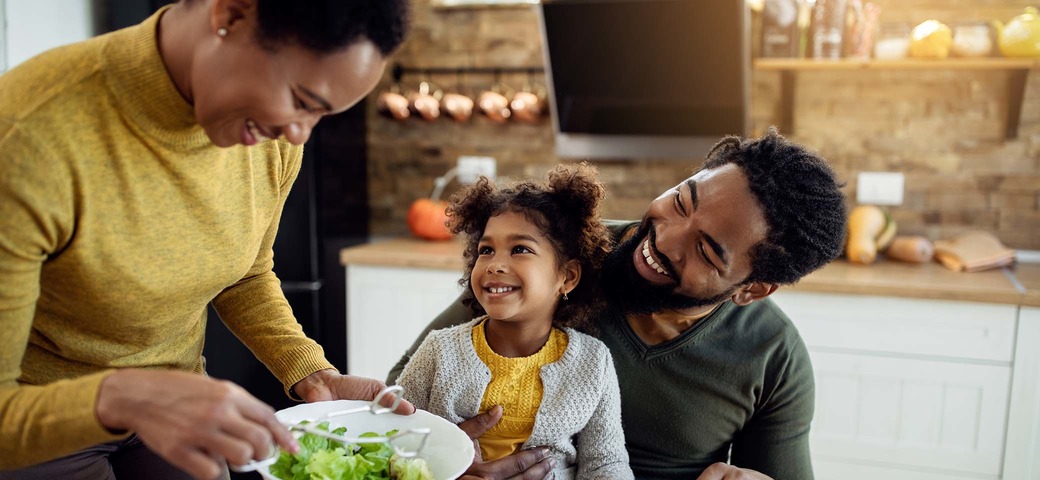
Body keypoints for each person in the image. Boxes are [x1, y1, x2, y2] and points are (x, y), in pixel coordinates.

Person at [0, 1, 414, 479]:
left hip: (177, 406)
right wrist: (125, 395)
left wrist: (310, 372)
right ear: (231, 16)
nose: (299, 133)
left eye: (321, 115)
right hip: (40, 422)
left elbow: (245, 273)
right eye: (301, 99)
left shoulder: (273, 141)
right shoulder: (26, 138)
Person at [389, 128, 849, 480]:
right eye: (683, 201)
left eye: (706, 251)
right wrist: (442, 459)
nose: (664, 239)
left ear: (752, 288)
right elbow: (405, 391)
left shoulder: (772, 356)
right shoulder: (559, 255)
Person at [396, 164, 634, 480]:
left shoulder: (594, 363)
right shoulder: (438, 351)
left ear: (567, 276)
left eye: (519, 249)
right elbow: (396, 437)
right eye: (486, 250)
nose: (495, 264)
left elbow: (605, 463)